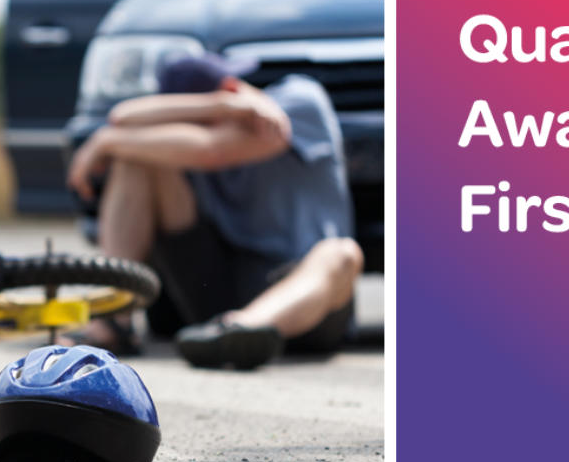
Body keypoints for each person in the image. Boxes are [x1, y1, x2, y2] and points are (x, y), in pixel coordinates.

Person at [66, 54, 362, 370]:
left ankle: (241, 332)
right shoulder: (212, 116)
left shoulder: (298, 102)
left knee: (341, 253)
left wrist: (107, 141)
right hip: (218, 291)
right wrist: (220, 106)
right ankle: (114, 320)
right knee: (136, 156)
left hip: (307, 301)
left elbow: (212, 150)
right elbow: (121, 118)